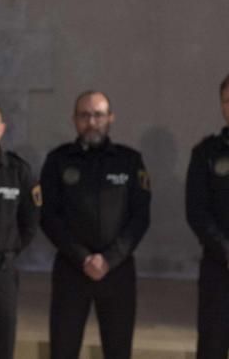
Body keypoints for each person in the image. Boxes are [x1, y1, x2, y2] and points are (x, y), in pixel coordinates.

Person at [40, 90, 151, 359]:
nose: (92, 121)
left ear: (110, 118)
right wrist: (84, 258)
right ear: (74, 119)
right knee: (63, 350)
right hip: (71, 269)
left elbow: (140, 217)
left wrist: (109, 259)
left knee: (118, 350)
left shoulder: (130, 161)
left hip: (118, 272)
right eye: (85, 115)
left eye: (98, 115)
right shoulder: (58, 160)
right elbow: (48, 217)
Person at [0, 100, 39, 359]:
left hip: (0, 272)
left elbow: (29, 224)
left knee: (0, 348)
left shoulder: (18, 171)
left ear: (2, 128)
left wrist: (6, 251)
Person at [186, 74, 229, 359]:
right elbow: (197, 211)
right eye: (227, 101)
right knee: (212, 348)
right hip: (219, 269)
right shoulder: (206, 153)